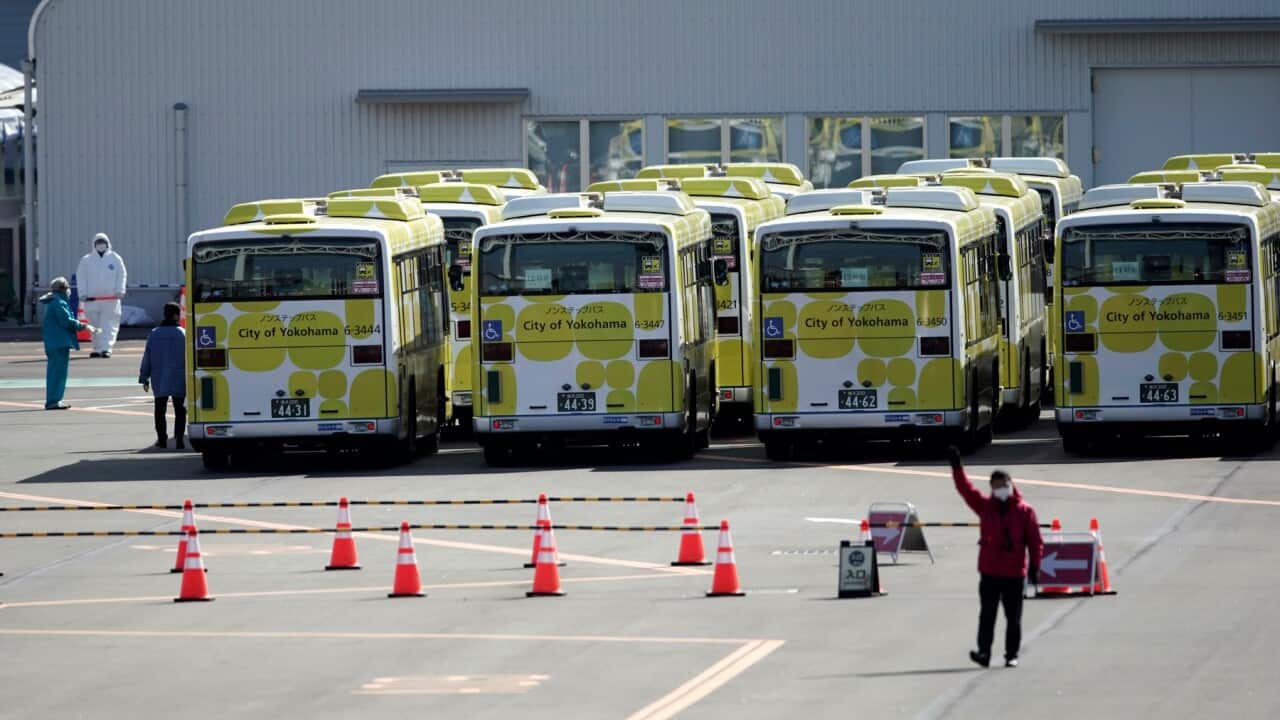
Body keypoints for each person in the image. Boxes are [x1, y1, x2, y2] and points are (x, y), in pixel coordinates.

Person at [948, 446, 1043, 668]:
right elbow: (966, 490)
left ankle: (1011, 654)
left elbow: (1035, 541)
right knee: (987, 616)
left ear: (1011, 485)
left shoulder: (1025, 511)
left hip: (1014, 572)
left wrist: (1035, 567)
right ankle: (984, 652)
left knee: (1013, 618)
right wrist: (956, 467)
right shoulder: (985, 507)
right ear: (991, 487)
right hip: (990, 571)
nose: (1001, 489)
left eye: (1004, 485)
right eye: (997, 485)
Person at [39, 276, 97, 410]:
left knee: (55, 373)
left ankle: (54, 399)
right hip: (59, 342)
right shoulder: (59, 303)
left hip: (54, 342)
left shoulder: (53, 301)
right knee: (58, 374)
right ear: (64, 289)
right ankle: (53, 400)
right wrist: (85, 326)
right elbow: (67, 321)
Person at [139, 302, 187, 449]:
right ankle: (179, 439)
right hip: (180, 375)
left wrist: (144, 377)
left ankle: (162, 439)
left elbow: (147, 356)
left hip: (159, 376)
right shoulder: (183, 334)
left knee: (160, 409)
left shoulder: (154, 334)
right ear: (175, 315)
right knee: (180, 410)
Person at [75, 232, 127, 357]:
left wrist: (120, 290)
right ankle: (97, 348)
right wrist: (82, 293)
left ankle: (106, 348)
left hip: (111, 299)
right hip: (91, 299)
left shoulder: (115, 258)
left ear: (108, 243)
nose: (101, 245)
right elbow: (80, 277)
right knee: (94, 325)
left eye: (103, 242)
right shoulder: (86, 260)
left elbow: (122, 275)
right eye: (98, 243)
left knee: (108, 324)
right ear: (94, 244)